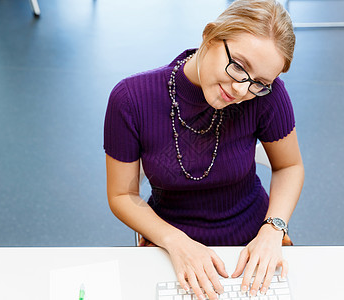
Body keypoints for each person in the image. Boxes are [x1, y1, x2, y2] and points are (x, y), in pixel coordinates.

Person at [104, 0, 304, 299]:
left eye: (259, 83)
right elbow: (122, 195)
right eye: (238, 66)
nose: (241, 90)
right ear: (209, 35)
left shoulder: (267, 97)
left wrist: (273, 229)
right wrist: (173, 241)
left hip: (253, 240)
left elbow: (289, 166)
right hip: (169, 244)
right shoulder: (131, 99)